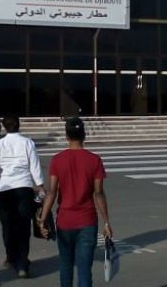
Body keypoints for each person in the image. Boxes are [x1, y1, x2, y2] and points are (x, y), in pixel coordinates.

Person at [38, 117, 113, 287]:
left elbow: (52, 192)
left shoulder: (57, 160)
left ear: (66, 136)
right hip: (87, 222)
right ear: (84, 135)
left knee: (65, 267)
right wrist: (107, 222)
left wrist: (42, 219)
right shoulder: (95, 160)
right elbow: (99, 193)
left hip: (65, 222)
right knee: (85, 269)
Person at [0, 115, 44, 279]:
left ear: (4, 127)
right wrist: (39, 185)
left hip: (5, 188)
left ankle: (11, 257)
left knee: (8, 225)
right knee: (24, 226)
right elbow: (34, 165)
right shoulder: (27, 143)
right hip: (24, 187)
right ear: (19, 125)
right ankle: (23, 263)